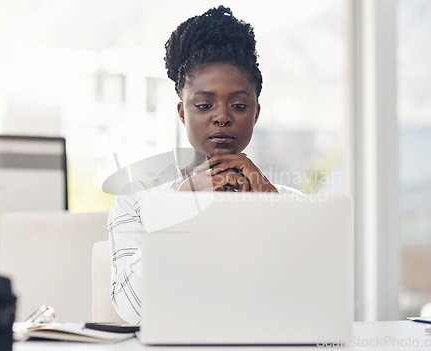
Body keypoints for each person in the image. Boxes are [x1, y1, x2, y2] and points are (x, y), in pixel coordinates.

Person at [108, 5, 299, 325]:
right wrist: (180, 208)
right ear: (182, 112)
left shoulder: (290, 203)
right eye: (204, 104)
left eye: (239, 105)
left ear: (256, 112)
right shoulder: (137, 196)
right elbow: (133, 311)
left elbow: (308, 305)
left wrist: (273, 213)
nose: (222, 116)